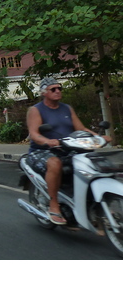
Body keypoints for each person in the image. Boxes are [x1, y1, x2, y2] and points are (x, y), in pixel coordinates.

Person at [26, 76, 108, 225]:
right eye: (53, 89)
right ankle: (54, 205)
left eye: (59, 88)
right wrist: (48, 141)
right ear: (44, 92)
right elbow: (35, 134)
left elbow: (81, 129)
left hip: (68, 149)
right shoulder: (36, 110)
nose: (58, 91)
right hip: (41, 151)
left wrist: (99, 137)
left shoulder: (67, 108)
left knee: (93, 162)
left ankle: (96, 202)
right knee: (54, 163)